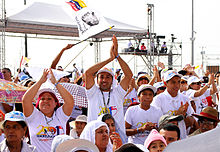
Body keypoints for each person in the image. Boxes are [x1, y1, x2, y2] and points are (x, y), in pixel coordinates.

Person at [85, 35, 132, 134]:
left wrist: (117, 56)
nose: (104, 80)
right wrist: (110, 59)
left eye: (108, 77)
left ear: (112, 80)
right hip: (95, 137)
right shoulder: (92, 92)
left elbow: (128, 75)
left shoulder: (117, 93)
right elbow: (88, 73)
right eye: (101, 77)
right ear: (97, 80)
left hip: (116, 137)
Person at [22, 68, 74, 152]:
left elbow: (70, 101)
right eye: (42, 99)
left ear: (56, 103)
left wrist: (55, 83)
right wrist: (40, 81)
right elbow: (26, 100)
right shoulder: (33, 116)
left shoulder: (60, 115)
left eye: (49, 99)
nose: (45, 101)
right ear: (38, 103)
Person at [152, 70, 195, 139]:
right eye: (173, 82)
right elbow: (157, 124)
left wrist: (185, 115)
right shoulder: (158, 99)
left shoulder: (185, 98)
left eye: (178, 82)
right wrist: (177, 115)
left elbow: (191, 122)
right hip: (166, 140)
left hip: (182, 138)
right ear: (165, 83)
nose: (177, 85)